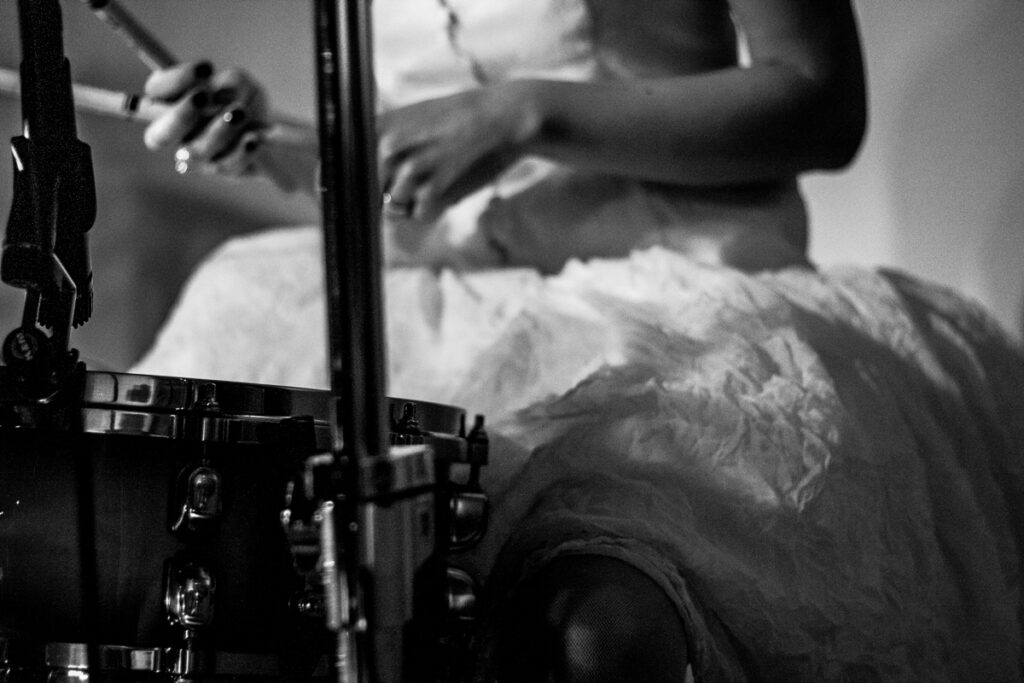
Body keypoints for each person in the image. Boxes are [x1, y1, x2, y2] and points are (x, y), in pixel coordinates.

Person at [133, 0, 1024, 680]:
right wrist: (273, 142)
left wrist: (526, 113)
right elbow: (413, 165)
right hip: (448, 289)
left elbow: (822, 100)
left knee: (590, 627)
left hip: (677, 288)